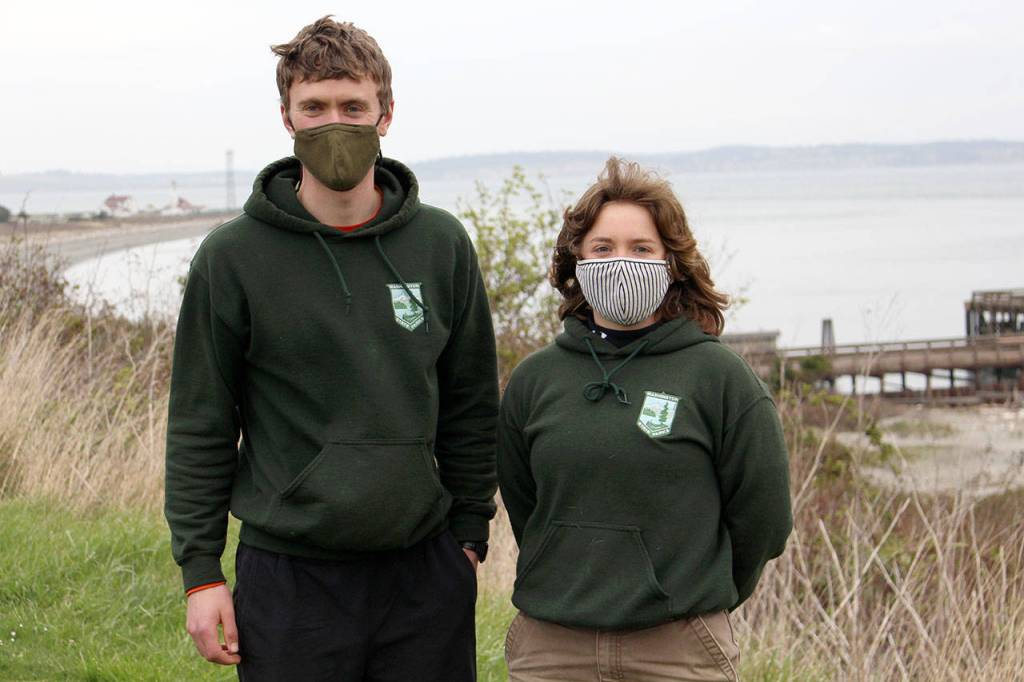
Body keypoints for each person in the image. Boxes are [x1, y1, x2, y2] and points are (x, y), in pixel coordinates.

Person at [164, 16, 498, 681]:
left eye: (353, 106)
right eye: (314, 107)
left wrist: (468, 534)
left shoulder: (440, 245)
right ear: (286, 117)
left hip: (424, 572)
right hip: (288, 576)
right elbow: (201, 422)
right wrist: (201, 573)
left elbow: (472, 404)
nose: (333, 123)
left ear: (386, 114)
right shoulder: (233, 258)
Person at [497, 157, 792, 681]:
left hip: (677, 650)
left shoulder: (720, 378)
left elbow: (763, 520)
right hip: (551, 649)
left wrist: (698, 593)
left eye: (641, 248)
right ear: (577, 261)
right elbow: (525, 505)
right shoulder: (535, 380)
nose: (620, 262)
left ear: (671, 262)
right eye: (602, 248)